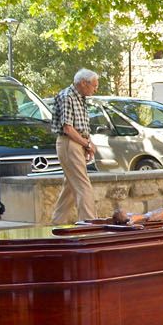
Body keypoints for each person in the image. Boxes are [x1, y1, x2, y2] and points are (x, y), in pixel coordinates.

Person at [50, 68, 100, 223]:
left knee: (71, 188)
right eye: (94, 85)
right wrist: (86, 143)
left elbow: (82, 127)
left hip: (76, 143)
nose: (95, 89)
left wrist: (88, 144)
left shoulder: (80, 98)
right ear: (83, 83)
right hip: (69, 143)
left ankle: (57, 223)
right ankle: (89, 225)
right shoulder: (68, 96)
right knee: (83, 186)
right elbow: (68, 128)